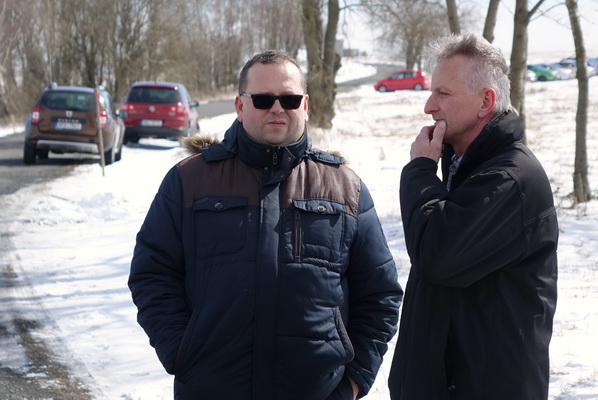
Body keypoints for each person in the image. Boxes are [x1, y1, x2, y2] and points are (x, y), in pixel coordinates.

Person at [128, 49, 403, 400]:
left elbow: (380, 294)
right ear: (240, 106)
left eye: (289, 99)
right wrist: (180, 351)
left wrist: (352, 383)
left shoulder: (345, 189)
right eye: (262, 99)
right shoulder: (189, 181)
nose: (277, 108)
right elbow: (152, 273)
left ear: (305, 105)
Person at [388, 34, 558, 399]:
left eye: (443, 93)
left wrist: (420, 170)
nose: (429, 106)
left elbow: (435, 254)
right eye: (431, 92)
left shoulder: (508, 180)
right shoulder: (464, 167)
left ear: (485, 102)